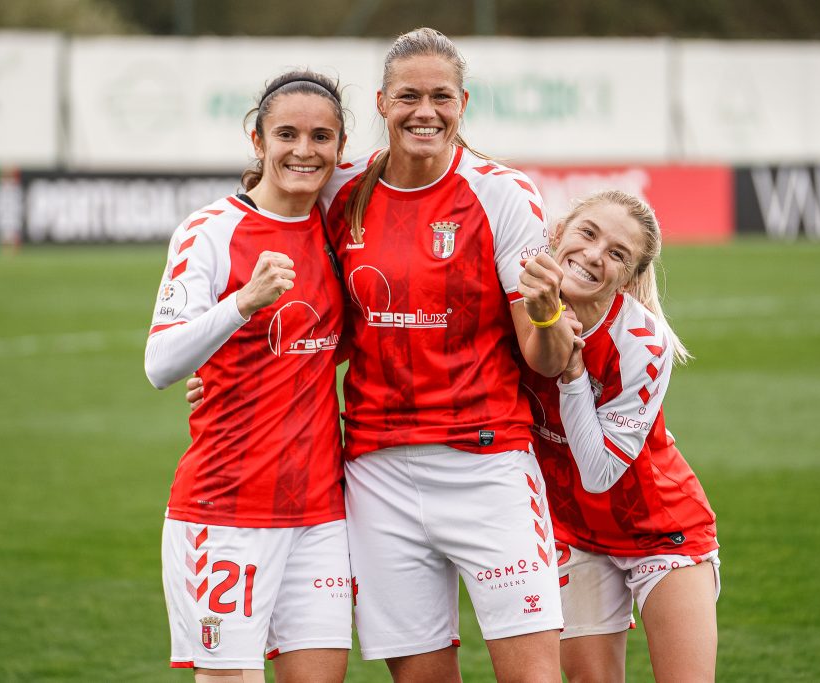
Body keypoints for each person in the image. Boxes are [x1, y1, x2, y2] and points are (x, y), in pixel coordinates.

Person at [189, 27, 575, 683]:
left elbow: (547, 359)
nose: (425, 111)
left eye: (441, 97)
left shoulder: (502, 194)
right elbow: (308, 304)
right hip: (377, 474)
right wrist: (228, 372)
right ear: (382, 102)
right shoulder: (343, 192)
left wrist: (547, 310)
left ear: (464, 102)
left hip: (487, 467)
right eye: (409, 96)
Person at [144, 71, 352, 683]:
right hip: (225, 508)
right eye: (286, 134)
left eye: (322, 136)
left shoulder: (337, 231)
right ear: (257, 140)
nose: (304, 150)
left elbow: (322, 342)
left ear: (340, 148)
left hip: (319, 513)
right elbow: (160, 363)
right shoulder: (210, 230)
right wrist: (242, 306)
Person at [517, 190, 720, 683]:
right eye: (588, 233)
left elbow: (600, 471)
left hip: (661, 530)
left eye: (616, 254)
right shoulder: (518, 303)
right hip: (574, 531)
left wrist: (572, 374)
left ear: (628, 278)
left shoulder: (641, 341)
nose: (593, 256)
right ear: (560, 231)